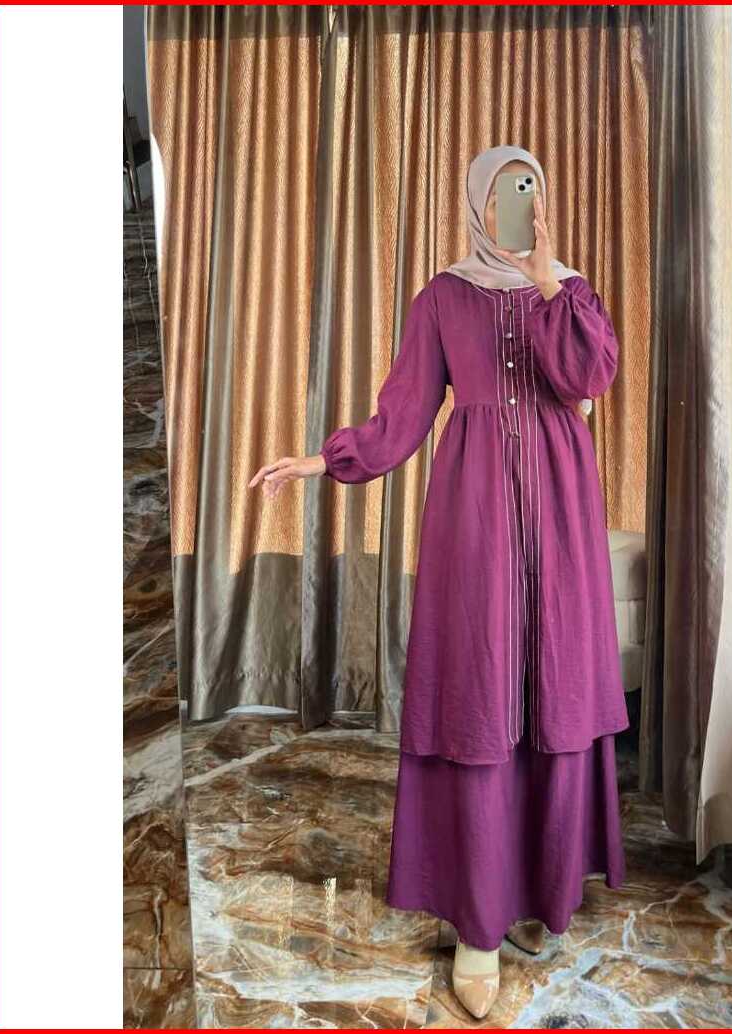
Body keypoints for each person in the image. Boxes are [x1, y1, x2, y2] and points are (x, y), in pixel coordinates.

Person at [249, 144, 628, 1020]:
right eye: (503, 192)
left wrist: (547, 281)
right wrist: (322, 460)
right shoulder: (442, 297)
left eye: (529, 188)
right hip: (476, 514)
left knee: (556, 689)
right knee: (482, 695)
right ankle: (478, 926)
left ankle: (543, 890)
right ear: (476, 202)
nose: (516, 205)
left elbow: (591, 377)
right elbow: (404, 413)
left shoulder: (572, 291)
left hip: (563, 513)